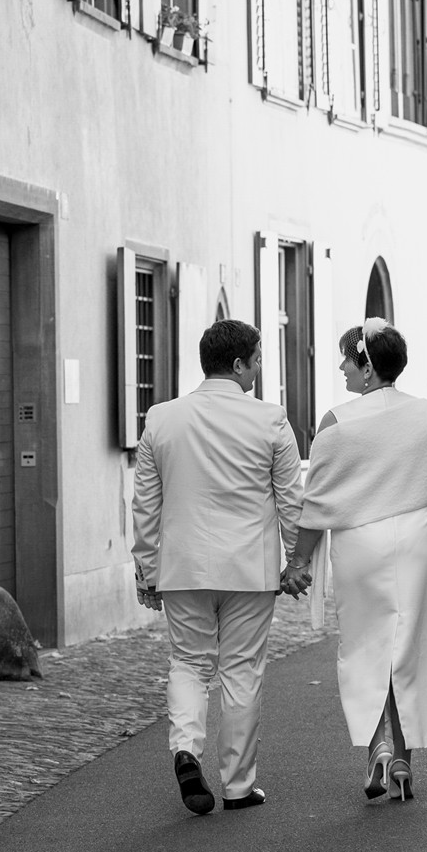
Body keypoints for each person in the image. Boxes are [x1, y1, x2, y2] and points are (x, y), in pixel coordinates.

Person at [281, 318, 427, 804]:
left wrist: (298, 562)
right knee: (415, 643)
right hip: (420, 535)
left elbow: (316, 500)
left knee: (368, 644)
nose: (341, 367)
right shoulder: (426, 414)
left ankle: (378, 744)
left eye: (347, 358)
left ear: (367, 366)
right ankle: (403, 754)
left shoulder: (338, 421)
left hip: (363, 539)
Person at [132, 317, 303, 816]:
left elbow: (146, 504)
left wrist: (146, 568)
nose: (258, 370)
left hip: (182, 566)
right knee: (241, 671)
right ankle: (237, 786)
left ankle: (186, 747)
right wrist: (297, 561)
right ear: (237, 363)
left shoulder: (161, 419)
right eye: (256, 361)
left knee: (188, 662)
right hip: (250, 568)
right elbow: (291, 501)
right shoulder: (271, 420)